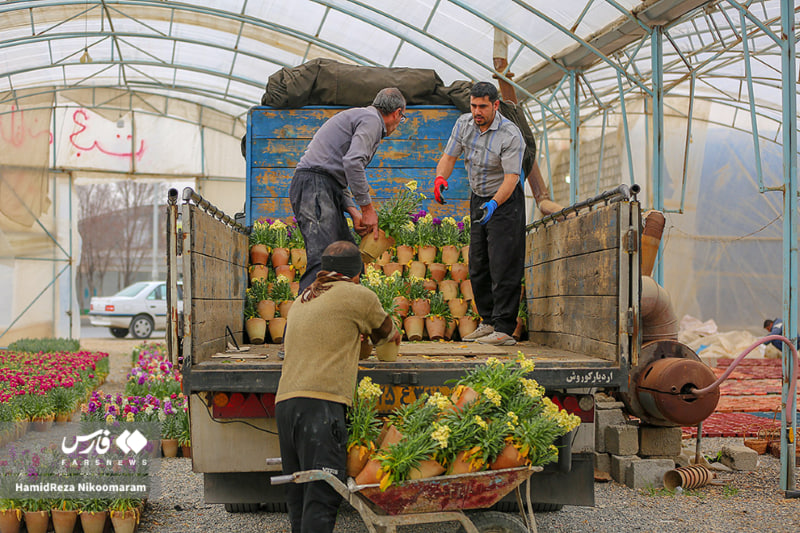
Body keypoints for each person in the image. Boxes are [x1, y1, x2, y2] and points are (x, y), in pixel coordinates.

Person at [275, 241, 401, 533]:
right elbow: (387, 338)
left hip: (285, 405)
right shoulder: (358, 295)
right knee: (321, 497)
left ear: (324, 269)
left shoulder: (304, 296)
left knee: (300, 497)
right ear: (358, 272)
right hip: (320, 406)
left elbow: (333, 342)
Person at [433, 81, 525, 346]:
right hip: (479, 196)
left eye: (483, 106)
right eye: (474, 106)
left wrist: (495, 205)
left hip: (505, 200)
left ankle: (505, 328)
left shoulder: (510, 134)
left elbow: (510, 178)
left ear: (495, 105)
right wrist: (440, 178)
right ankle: (488, 322)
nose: (477, 111)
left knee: (503, 262)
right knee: (478, 263)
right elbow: (449, 157)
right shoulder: (463, 124)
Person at [289, 87, 407, 291]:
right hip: (314, 187)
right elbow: (352, 163)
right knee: (324, 260)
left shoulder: (364, 117)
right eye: (401, 118)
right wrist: (367, 209)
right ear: (397, 113)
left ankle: (342, 317)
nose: (398, 123)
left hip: (323, 186)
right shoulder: (371, 120)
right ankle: (300, 321)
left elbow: (338, 173)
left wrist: (353, 211)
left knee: (349, 261)